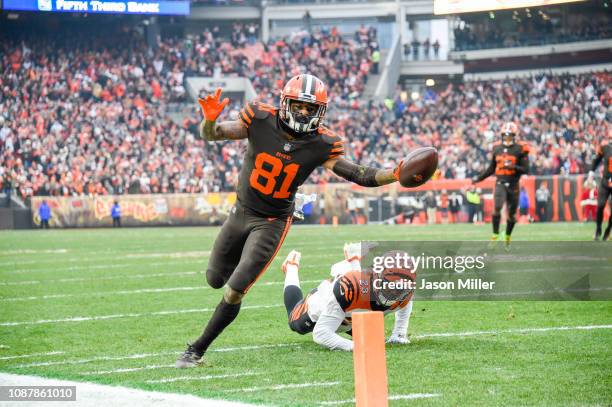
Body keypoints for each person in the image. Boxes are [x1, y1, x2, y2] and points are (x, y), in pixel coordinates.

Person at [176, 76, 407, 368]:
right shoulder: (259, 118)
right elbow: (213, 134)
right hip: (241, 211)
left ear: (320, 112)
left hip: (272, 221)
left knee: (234, 290)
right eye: (297, 105)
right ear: (285, 103)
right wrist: (209, 121)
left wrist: (394, 174)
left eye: (310, 108)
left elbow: (357, 173)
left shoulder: (323, 143)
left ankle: (195, 350)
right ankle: (236, 267)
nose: (302, 113)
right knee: (214, 279)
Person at [281, 244, 414, 351]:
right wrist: (356, 347)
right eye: (388, 285)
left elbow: (406, 304)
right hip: (324, 306)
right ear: (377, 276)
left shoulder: (405, 291)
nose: (393, 293)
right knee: (295, 324)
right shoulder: (350, 288)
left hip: (352, 317)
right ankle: (291, 266)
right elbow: (321, 334)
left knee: (374, 339)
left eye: (399, 290)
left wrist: (399, 333)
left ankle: (354, 258)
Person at [473, 122, 529, 250]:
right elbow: (491, 168)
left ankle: (507, 236)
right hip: (500, 182)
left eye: (510, 135)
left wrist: (513, 167)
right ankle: (495, 235)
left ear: (514, 136)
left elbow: (526, 169)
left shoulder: (520, 149)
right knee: (497, 207)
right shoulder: (496, 148)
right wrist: (478, 178)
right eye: (505, 135)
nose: (507, 138)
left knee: (512, 215)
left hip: (514, 184)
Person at [590, 140, 612, 241]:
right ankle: (598, 229)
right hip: (606, 181)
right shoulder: (606, 147)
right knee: (600, 205)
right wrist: (591, 171)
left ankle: (608, 230)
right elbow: (597, 159)